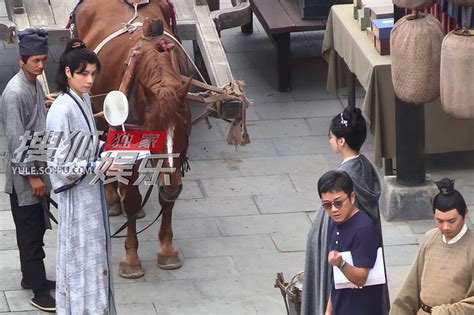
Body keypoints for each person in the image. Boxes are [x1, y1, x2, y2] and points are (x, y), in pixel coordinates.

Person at [46, 38, 116, 314]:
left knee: (96, 255)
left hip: (91, 193)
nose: (89, 81)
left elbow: (88, 142)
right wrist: (97, 166)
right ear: (67, 73)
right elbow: (60, 164)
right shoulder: (60, 110)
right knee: (80, 257)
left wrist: (110, 147)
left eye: (93, 74)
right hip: (77, 198)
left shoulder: (83, 99)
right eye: (83, 74)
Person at [302, 106, 390, 315]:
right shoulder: (365, 168)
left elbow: (325, 228)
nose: (333, 208)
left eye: (331, 137)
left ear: (342, 141)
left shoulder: (341, 181)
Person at [0, 28, 56, 312]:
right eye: (35, 60)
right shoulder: (15, 93)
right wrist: (32, 177)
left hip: (39, 168)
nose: (41, 65)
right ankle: (38, 291)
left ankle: (30, 277)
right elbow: (15, 139)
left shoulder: (34, 84)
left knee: (36, 229)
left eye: (44, 59)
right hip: (25, 178)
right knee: (30, 233)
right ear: (21, 60)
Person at [390, 178, 474, 315]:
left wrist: (446, 312)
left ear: (465, 214)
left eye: (452, 221)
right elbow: (412, 285)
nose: (446, 227)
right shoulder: (430, 237)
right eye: (440, 221)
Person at [317, 170, 384, 315]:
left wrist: (341, 263)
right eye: (327, 205)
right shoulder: (336, 224)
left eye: (338, 203)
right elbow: (336, 281)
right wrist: (329, 311)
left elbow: (361, 278)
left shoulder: (364, 229)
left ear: (352, 197)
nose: (334, 210)